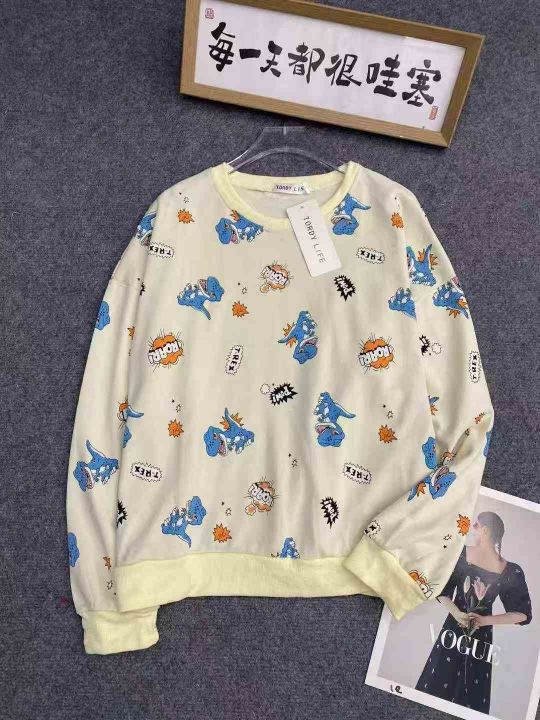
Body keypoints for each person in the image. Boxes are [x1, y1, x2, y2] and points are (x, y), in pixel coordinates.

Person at [415, 512, 532, 713]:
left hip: (479, 635)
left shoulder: (511, 570)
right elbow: (440, 590)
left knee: (470, 692)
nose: (473, 529)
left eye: (476, 525)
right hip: (456, 627)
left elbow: (523, 614)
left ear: (485, 530)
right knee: (437, 683)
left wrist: (485, 620)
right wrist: (458, 614)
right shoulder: (460, 552)